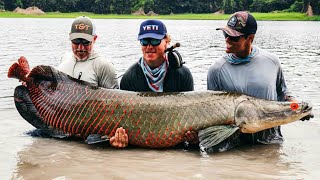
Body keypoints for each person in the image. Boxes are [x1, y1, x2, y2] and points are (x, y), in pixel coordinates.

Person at [207, 11, 313, 152]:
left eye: (233, 37)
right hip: (234, 146)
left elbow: (282, 92)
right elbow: (211, 112)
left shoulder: (272, 61)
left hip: (270, 141)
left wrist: (297, 107)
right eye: (225, 35)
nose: (227, 40)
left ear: (250, 38)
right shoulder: (216, 69)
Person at [115, 19, 195, 148]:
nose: (149, 46)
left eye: (155, 41)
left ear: (166, 42)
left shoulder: (183, 74)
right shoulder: (129, 77)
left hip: (174, 142)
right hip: (140, 143)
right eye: (144, 41)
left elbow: (191, 115)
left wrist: (193, 138)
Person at [57, 16, 125, 148]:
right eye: (76, 41)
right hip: (63, 126)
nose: (80, 47)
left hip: (90, 132)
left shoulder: (103, 65)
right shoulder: (64, 60)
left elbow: (118, 107)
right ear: (70, 37)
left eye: (86, 42)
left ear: (95, 39)